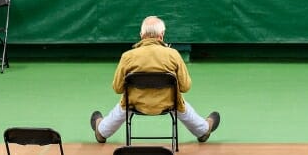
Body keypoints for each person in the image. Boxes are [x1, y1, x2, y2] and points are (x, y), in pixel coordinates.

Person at [90, 16, 220, 143]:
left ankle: (101, 132)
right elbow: (185, 86)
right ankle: (203, 130)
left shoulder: (127, 56)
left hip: (135, 103)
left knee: (125, 105)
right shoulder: (173, 54)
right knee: (179, 104)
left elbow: (117, 88)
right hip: (168, 103)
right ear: (162, 35)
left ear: (141, 35)